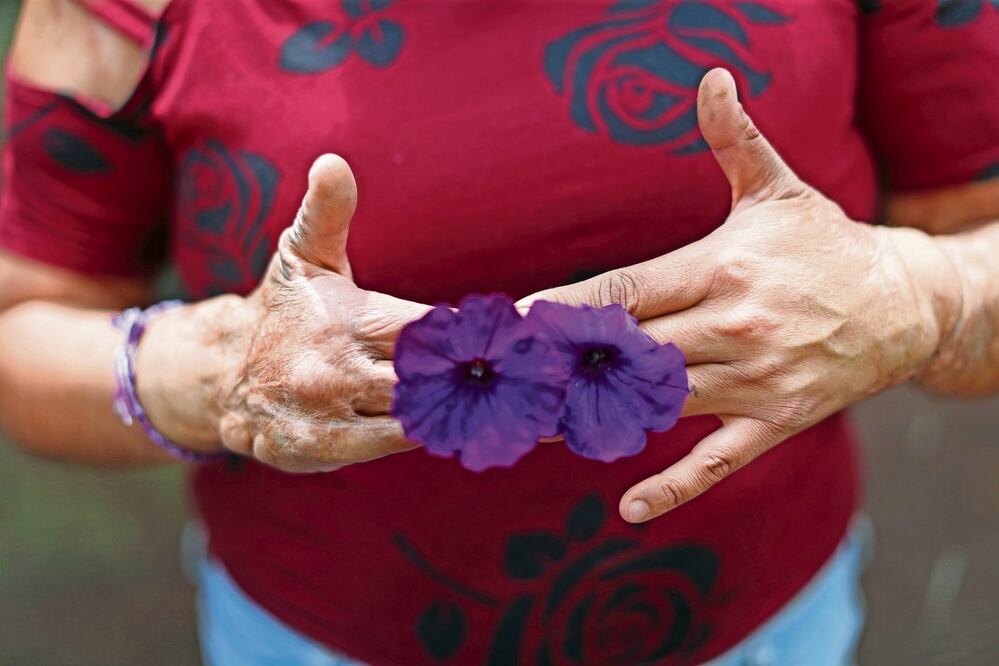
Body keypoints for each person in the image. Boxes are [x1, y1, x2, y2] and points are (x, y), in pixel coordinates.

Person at [1, 0, 997, 664]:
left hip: (766, 629)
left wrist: (924, 297)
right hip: (316, 641)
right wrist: (217, 375)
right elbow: (24, 326)